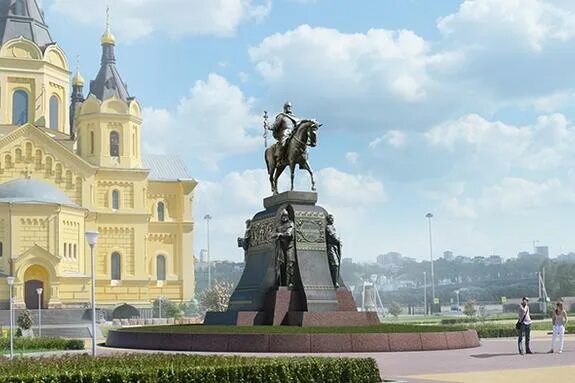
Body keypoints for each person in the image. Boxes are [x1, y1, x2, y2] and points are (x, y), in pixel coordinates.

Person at [273, 209, 296, 288]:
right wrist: (276, 235)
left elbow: (289, 234)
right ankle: (281, 283)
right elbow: (273, 234)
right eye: (283, 216)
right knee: (280, 265)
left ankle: (291, 282)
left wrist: (279, 234)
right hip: (281, 247)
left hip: (290, 246)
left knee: (290, 264)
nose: (284, 218)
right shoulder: (278, 225)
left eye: (285, 216)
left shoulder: (291, 223)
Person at [325, 214, 341, 288]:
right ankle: (334, 281)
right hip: (331, 247)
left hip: (335, 247)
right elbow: (333, 236)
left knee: (336, 264)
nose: (332, 220)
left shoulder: (332, 227)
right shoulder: (328, 227)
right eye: (331, 219)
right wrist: (338, 240)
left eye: (333, 219)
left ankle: (335, 281)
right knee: (335, 264)